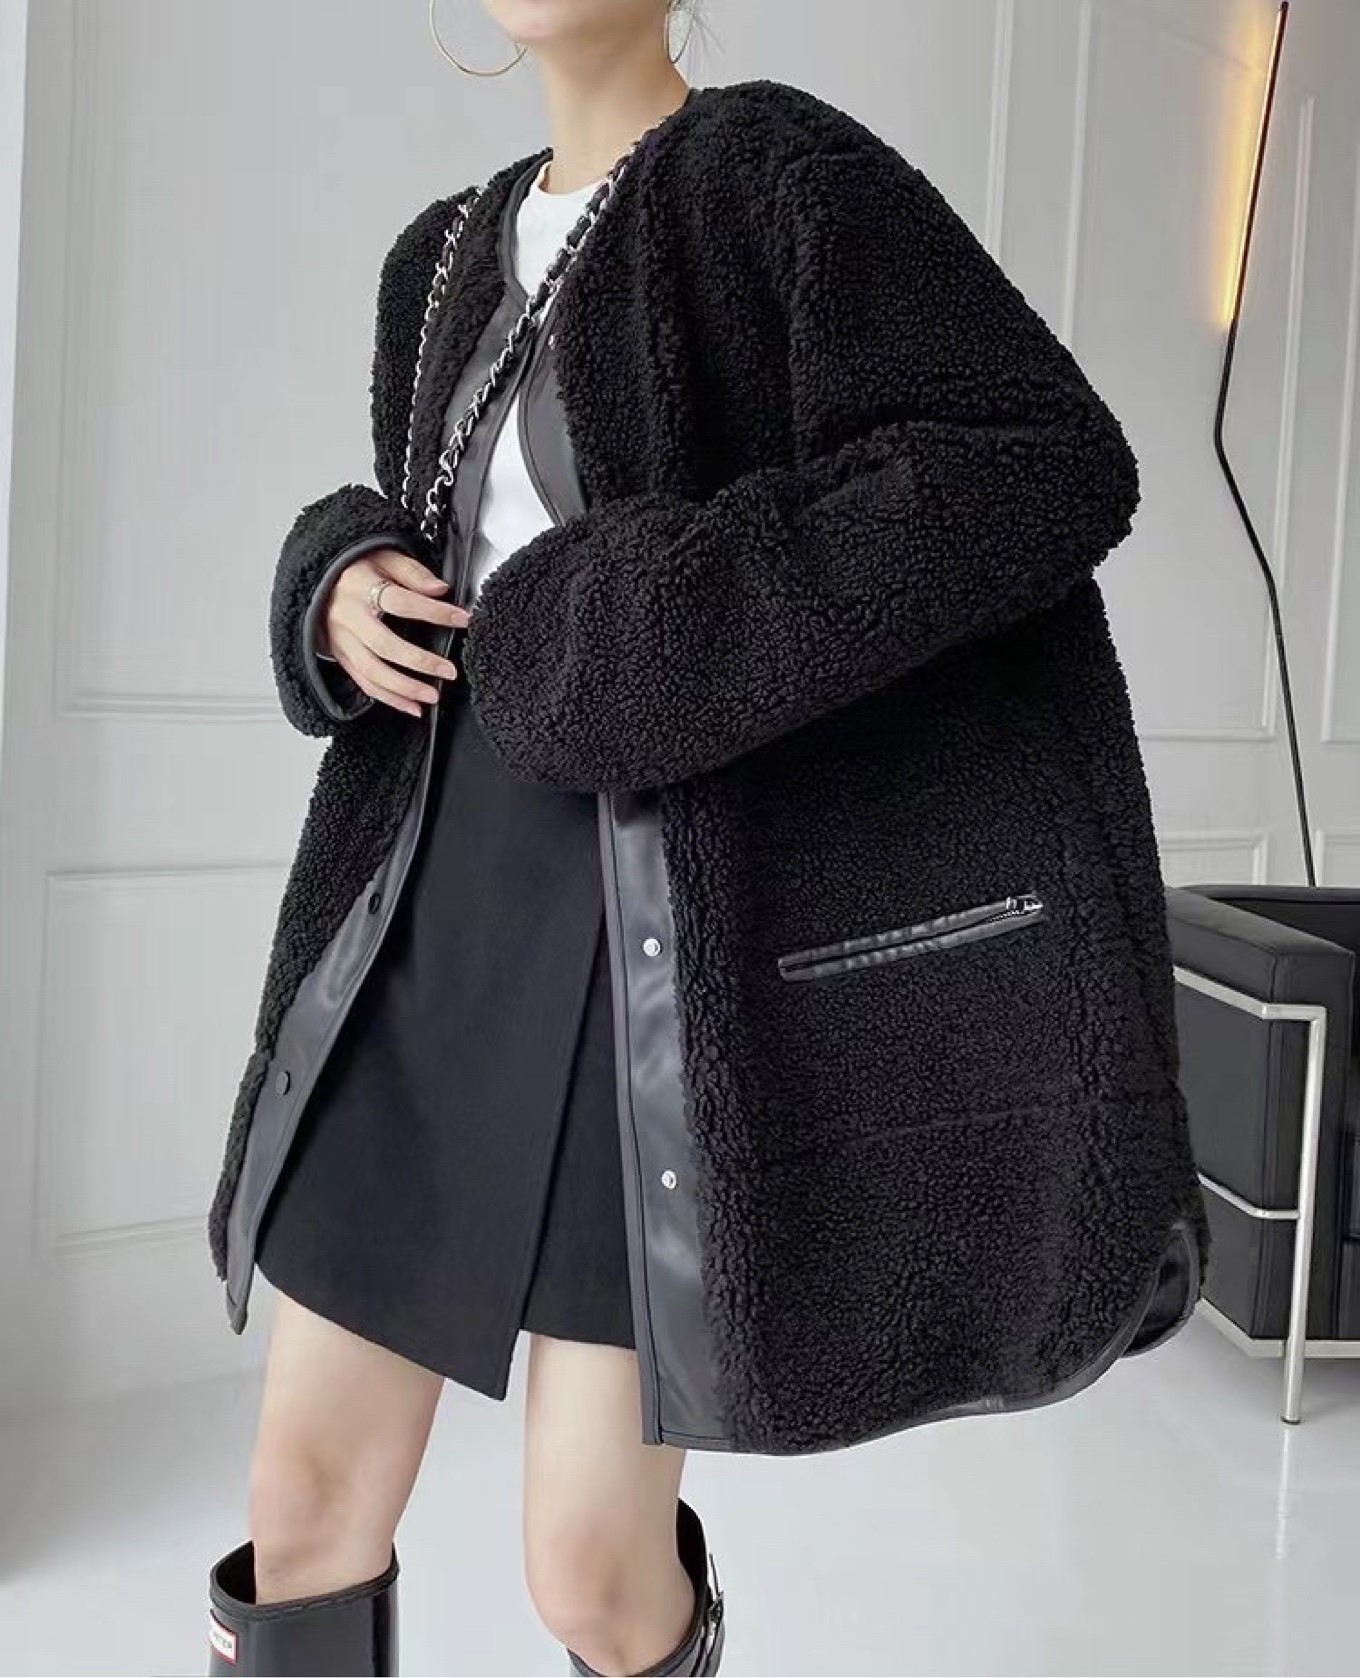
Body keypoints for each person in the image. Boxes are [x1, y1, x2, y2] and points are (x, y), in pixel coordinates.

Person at [203, 2, 1207, 1674]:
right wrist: (338, 579)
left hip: (646, 951)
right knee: (301, 1508)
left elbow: (1039, 463)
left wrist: (656, 624)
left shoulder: (771, 171)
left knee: (590, 1571)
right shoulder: (433, 262)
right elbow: (459, 555)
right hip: (426, 937)